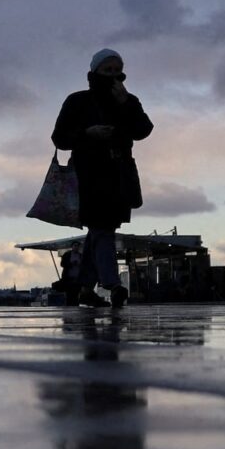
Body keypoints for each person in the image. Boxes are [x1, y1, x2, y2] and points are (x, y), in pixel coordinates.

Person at [52, 48, 154, 310]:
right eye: (106, 70)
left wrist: (127, 104)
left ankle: (85, 289)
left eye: (116, 69)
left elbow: (143, 130)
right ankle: (112, 284)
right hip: (88, 176)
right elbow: (60, 138)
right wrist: (88, 133)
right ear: (95, 72)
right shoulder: (77, 101)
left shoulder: (128, 100)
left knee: (99, 231)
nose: (112, 75)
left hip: (119, 174)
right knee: (103, 229)